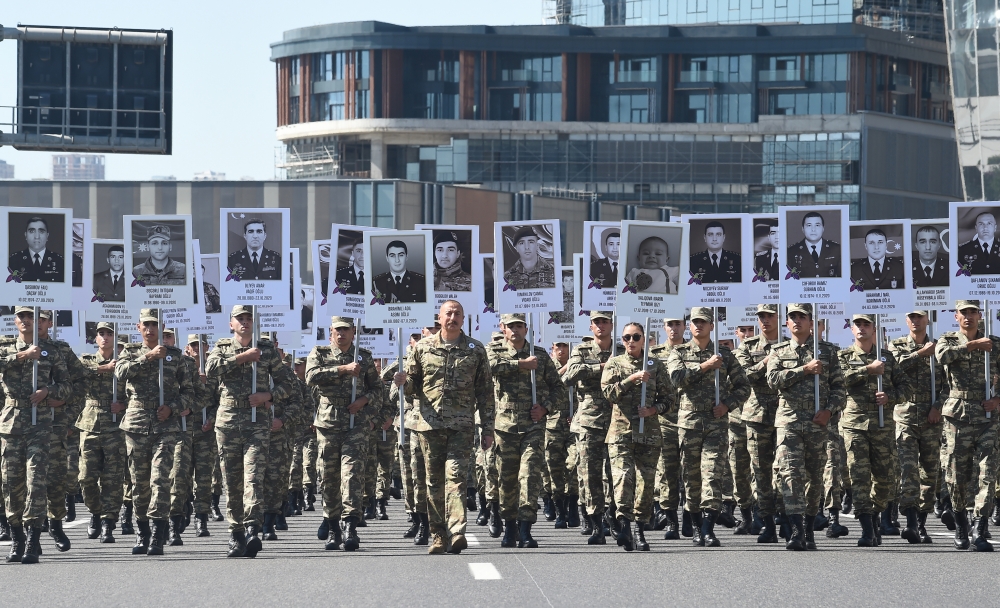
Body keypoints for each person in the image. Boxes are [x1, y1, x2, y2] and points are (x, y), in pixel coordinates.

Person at [393, 300, 495, 554]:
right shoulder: (423, 348)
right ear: (439, 318)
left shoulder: (475, 350)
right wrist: (403, 383)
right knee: (434, 482)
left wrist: (488, 428)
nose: (453, 317)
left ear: (463, 319)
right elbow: (414, 388)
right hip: (429, 426)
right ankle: (438, 534)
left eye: (457, 313)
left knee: (457, 476)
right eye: (448, 313)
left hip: (461, 426)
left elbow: (485, 392)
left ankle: (457, 530)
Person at [205, 305, 295, 558]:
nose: (244, 323)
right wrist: (243, 357)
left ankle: (253, 528)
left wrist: (268, 395)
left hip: (258, 422)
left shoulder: (267, 350)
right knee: (232, 481)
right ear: (231, 323)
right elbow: (211, 370)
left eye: (249, 319)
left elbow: (288, 384)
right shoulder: (222, 347)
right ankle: (236, 534)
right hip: (229, 422)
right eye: (240, 319)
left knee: (254, 476)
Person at [665, 307, 749, 548]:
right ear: (689, 326)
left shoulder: (724, 355)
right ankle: (694, 526)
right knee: (691, 479)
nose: (698, 325)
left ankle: (708, 528)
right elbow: (676, 379)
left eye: (704, 322)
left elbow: (743, 387)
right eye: (694, 322)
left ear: (712, 326)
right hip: (689, 424)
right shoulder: (679, 352)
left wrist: (727, 405)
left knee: (712, 475)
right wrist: (705, 366)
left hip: (716, 424)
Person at [116, 309, 195, 557]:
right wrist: (148, 357)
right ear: (138, 327)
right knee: (139, 483)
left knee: (160, 479)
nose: (150, 329)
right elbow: (119, 374)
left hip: (165, 424)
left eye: (155, 324)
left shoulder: (175, 356)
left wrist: (173, 408)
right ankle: (142, 531)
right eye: (146, 324)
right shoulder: (129, 353)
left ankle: (158, 534)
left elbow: (190, 392)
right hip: (137, 423)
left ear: (162, 327)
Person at [766, 303, 845, 550]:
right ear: (787, 323)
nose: (797, 321)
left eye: (802, 317)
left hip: (817, 424)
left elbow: (840, 389)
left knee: (814, 478)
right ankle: (797, 531)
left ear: (812, 322)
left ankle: (809, 528)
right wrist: (803, 370)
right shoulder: (778, 351)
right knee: (790, 475)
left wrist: (829, 411)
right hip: (789, 423)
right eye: (793, 317)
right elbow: (772, 380)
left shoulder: (828, 352)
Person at [0, 307, 72, 564]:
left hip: (40, 423)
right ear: (14, 321)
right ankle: (16, 538)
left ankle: (32, 540)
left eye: (31, 317)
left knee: (36, 482)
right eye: (21, 317)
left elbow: (67, 385)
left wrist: (48, 391)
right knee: (11, 483)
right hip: (11, 423)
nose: (26, 321)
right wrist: (22, 356)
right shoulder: (5, 348)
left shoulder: (51, 351)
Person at [487, 313, 563, 548]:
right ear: (503, 328)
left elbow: (558, 389)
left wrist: (546, 409)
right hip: (504, 426)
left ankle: (526, 527)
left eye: (519, 326)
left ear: (526, 328)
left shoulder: (539, 355)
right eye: (510, 326)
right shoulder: (494, 351)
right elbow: (489, 368)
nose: (515, 330)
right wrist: (520, 364)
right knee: (506, 479)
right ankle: (509, 527)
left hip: (533, 425)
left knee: (530, 476)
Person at [306, 317, 380, 551]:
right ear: (331, 332)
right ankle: (333, 527)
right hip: (328, 424)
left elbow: (378, 388)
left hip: (355, 424)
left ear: (353, 331)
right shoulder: (319, 353)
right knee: (328, 478)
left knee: (351, 475)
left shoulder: (364, 357)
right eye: (337, 330)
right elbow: (310, 377)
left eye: (345, 330)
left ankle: (351, 526)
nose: (341, 334)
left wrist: (364, 400)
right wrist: (342, 370)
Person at [838, 313, 911, 547]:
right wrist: (867, 370)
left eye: (865, 324)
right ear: (851, 329)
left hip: (882, 426)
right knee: (859, 478)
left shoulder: (887, 357)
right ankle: (866, 528)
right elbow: (838, 380)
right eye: (857, 324)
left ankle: (877, 514)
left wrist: (890, 397)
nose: (861, 328)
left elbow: (907, 388)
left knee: (885, 480)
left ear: (873, 328)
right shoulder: (844, 356)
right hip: (854, 425)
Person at [935, 300, 1000, 551]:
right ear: (956, 316)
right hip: (957, 416)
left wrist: (997, 399)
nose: (968, 317)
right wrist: (973, 345)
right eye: (964, 313)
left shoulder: (994, 343)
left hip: (987, 417)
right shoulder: (948, 340)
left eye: (973, 312)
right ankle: (961, 523)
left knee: (988, 471)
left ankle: (980, 527)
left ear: (979, 315)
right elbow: (942, 357)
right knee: (956, 474)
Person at [601, 322, 673, 551]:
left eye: (635, 337)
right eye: (626, 337)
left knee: (645, 483)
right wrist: (631, 380)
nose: (630, 341)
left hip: (648, 434)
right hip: (621, 432)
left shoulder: (655, 365)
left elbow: (670, 399)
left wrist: (653, 410)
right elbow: (608, 393)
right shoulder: (615, 363)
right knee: (623, 477)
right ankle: (623, 524)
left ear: (644, 339)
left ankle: (640, 529)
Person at [565, 311, 625, 545]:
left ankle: (615, 518)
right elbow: (568, 377)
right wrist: (601, 367)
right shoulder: (581, 351)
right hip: (589, 420)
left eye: (605, 321)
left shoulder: (622, 350)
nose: (601, 326)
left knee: (616, 474)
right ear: (591, 327)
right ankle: (596, 523)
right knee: (590, 475)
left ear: (612, 324)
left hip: (617, 419)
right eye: (596, 322)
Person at [887, 310, 943, 544]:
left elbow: (952, 382)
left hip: (932, 418)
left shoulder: (940, 347)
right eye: (911, 317)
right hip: (906, 417)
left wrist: (938, 406)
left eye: (920, 317)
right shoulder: (897, 345)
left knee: (930, 473)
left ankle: (921, 522)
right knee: (908, 470)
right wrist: (921, 353)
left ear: (927, 319)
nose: (915, 321)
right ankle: (910, 521)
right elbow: (892, 368)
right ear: (906, 321)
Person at [38, 310, 88, 552]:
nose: (33, 322)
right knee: (22, 480)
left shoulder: (61, 350)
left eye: (39, 318)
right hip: (18, 425)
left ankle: (55, 524)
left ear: (49, 322)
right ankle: (28, 532)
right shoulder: (9, 350)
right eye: (26, 317)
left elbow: (81, 383)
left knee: (56, 478)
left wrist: (67, 412)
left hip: (55, 424)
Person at [734, 304, 783, 541]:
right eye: (761, 316)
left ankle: (786, 517)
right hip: (757, 416)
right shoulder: (748, 346)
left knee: (787, 470)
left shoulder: (791, 344)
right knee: (761, 472)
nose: (765, 320)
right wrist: (766, 362)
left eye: (769, 316)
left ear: (778, 317)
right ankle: (766, 522)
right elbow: (742, 375)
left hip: (787, 415)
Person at [77, 322, 126, 544]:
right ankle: (95, 511)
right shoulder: (87, 360)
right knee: (86, 477)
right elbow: (75, 372)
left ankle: (108, 521)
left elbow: (139, 388)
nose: (105, 337)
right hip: (90, 423)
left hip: (116, 424)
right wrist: (104, 369)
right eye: (101, 334)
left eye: (109, 333)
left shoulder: (125, 361)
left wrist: (123, 405)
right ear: (95, 338)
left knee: (113, 478)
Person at [650, 317, 684, 539]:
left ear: (685, 326)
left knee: (692, 473)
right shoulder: (654, 354)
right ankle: (672, 521)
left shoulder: (693, 350)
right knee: (667, 473)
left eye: (678, 323)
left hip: (691, 418)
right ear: (664, 327)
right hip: (665, 420)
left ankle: (692, 520)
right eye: (669, 324)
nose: (673, 328)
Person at [183, 334, 218, 539]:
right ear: (188, 347)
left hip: (205, 431)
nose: (197, 348)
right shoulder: (182, 368)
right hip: (183, 429)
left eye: (200, 344)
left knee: (204, 478)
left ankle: (201, 517)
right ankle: (182, 510)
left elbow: (220, 399)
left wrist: (212, 418)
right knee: (181, 477)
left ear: (206, 347)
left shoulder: (213, 371)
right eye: (193, 345)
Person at [8, 216, 65, 282]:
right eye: (32, 231)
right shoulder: (13, 261)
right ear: (26, 235)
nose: (37, 236)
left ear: (47, 236)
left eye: (41, 231)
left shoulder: (60, 262)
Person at [787, 211, 842, 278]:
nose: (813, 229)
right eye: (809, 225)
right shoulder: (791, 252)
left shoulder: (836, 249)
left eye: (817, 225)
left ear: (823, 228)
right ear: (803, 229)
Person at [503, 226, 556, 290]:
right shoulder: (507, 277)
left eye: (531, 242)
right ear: (516, 247)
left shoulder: (554, 273)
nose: (527, 247)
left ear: (537, 245)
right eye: (521, 243)